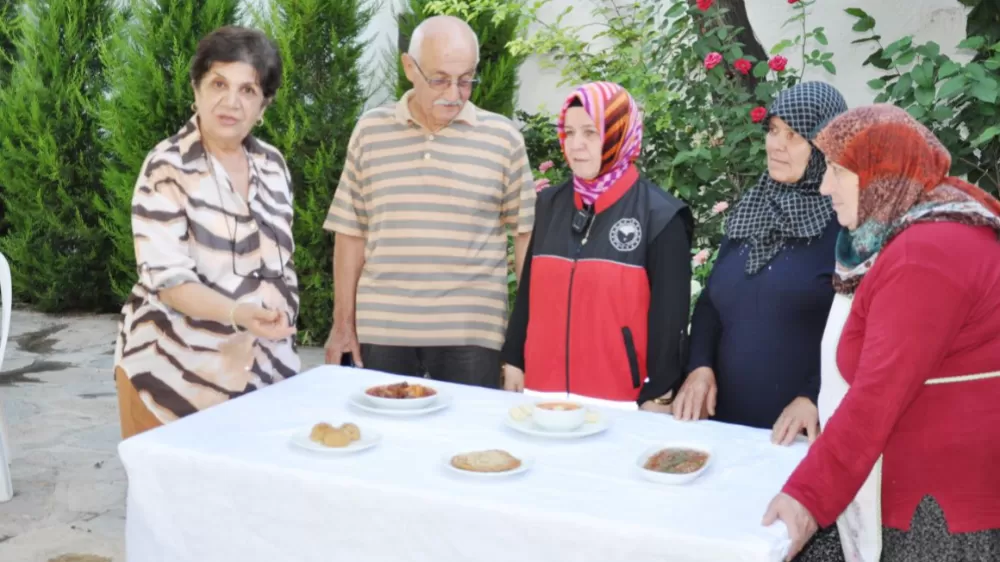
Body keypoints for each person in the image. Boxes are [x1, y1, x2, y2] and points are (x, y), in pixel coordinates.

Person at [763, 104, 1000, 561]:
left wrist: (807, 498)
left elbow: (876, 396)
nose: (825, 186)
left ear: (882, 172)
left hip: (937, 511)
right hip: (928, 495)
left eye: (837, 171)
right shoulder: (921, 230)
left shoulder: (926, 254)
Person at [323, 16, 535, 388]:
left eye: (466, 79)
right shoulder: (370, 132)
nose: (454, 94)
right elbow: (351, 231)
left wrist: (524, 341)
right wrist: (343, 324)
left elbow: (525, 238)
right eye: (439, 79)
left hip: (471, 333)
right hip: (383, 329)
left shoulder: (503, 138)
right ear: (409, 67)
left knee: (468, 428)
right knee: (383, 425)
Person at [114, 27, 299, 439]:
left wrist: (280, 317)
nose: (231, 102)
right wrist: (239, 313)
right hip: (172, 381)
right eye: (219, 84)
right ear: (196, 89)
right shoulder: (167, 166)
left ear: (264, 105)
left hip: (263, 378)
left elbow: (280, 265)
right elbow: (168, 281)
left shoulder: (273, 165)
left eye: (248, 90)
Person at [500, 82, 692, 410]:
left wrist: (659, 394)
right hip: (541, 397)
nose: (575, 144)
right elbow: (529, 292)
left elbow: (669, 323)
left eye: (590, 132)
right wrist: (514, 359)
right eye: (569, 132)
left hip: (621, 405)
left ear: (619, 133)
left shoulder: (661, 216)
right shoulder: (549, 204)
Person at [674, 82, 848, 442]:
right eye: (773, 130)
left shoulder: (843, 224)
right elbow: (712, 302)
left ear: (824, 146)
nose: (776, 144)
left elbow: (857, 329)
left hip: (799, 436)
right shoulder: (752, 210)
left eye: (794, 135)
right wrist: (700, 365)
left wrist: (814, 395)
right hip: (723, 429)